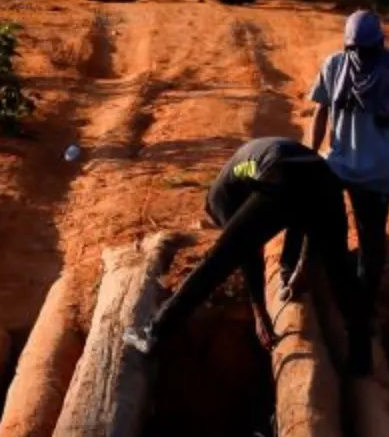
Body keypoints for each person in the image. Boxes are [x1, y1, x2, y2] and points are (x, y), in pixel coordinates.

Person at [126, 137, 371, 374]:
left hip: (283, 174)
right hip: (323, 177)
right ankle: (362, 355)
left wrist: (258, 310)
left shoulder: (219, 198)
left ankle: (154, 332)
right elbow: (305, 222)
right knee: (340, 270)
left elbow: (245, 253)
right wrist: (299, 269)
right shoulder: (246, 169)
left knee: (216, 262)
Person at [304, 9, 389, 333]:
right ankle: (325, 289)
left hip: (359, 170)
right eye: (358, 50)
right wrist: (314, 155)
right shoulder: (347, 65)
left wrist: (317, 153)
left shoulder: (357, 66)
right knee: (353, 235)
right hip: (354, 166)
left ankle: (359, 309)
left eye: (365, 50)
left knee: (367, 241)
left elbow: (322, 113)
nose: (361, 56)